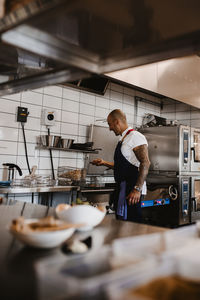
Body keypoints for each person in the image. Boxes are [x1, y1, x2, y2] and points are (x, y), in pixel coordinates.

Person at [92, 109, 150, 222]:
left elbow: (145, 162)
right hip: (124, 188)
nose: (110, 128)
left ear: (117, 121)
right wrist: (104, 163)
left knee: (132, 223)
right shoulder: (124, 139)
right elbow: (124, 166)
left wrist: (137, 189)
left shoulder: (135, 136)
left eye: (110, 124)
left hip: (132, 189)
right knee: (123, 222)